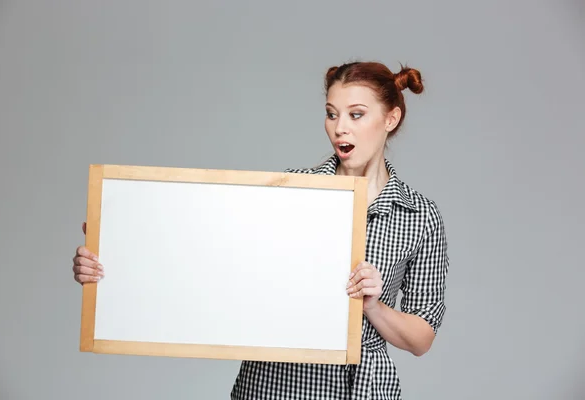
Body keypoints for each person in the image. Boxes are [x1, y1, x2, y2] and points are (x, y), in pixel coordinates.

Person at [72, 60, 449, 400]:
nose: (340, 128)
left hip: (363, 390)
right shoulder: (288, 192)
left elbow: (421, 339)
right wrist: (113, 254)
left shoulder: (420, 216)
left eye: (356, 114)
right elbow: (205, 259)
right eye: (332, 114)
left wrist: (371, 306)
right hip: (272, 386)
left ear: (391, 119)